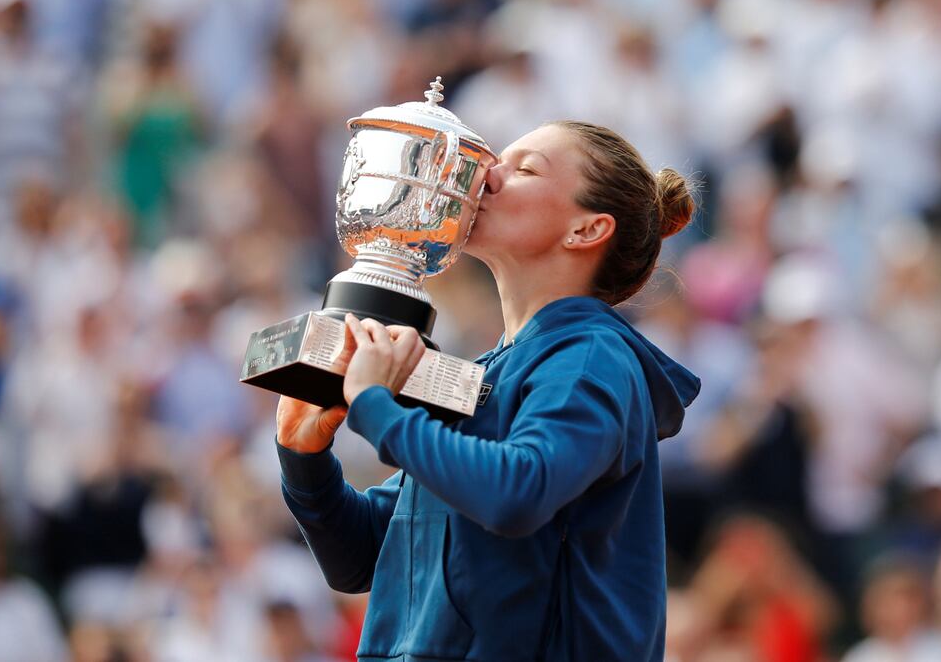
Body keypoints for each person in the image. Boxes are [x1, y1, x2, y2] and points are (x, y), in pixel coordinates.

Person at [274, 121, 701, 661]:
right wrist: (305, 459)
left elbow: (519, 491)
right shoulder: (488, 372)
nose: (486, 176)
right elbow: (361, 558)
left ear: (587, 229)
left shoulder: (591, 357)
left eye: (525, 169)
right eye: (498, 161)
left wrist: (378, 408)